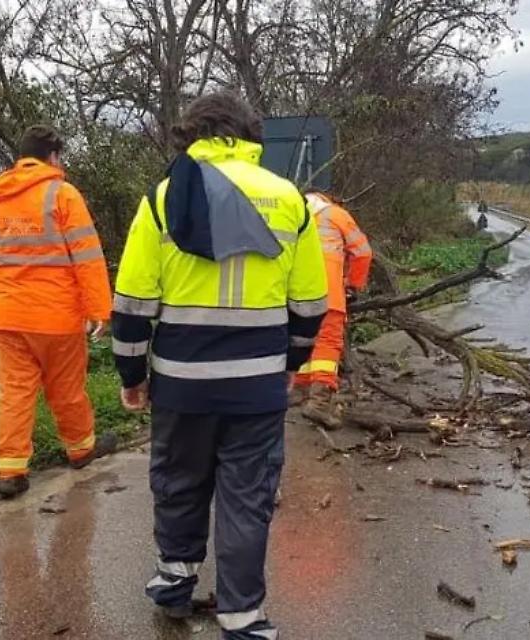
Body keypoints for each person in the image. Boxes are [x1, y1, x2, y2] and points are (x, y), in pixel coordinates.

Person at [111, 91, 328, 639]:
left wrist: (132, 377)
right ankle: (243, 616)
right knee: (247, 499)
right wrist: (292, 362)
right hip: (256, 385)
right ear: (251, 135)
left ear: (193, 135)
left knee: (178, 482)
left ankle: (174, 582)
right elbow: (310, 303)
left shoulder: (163, 197)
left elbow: (133, 303)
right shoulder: (289, 199)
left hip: (181, 383)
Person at [0, 125, 117, 499]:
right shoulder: (62, 194)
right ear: (53, 156)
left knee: (14, 392)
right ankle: (80, 448)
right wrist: (100, 310)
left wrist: (4, 289)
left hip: (8, 314)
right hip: (56, 316)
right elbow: (87, 257)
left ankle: (10, 470)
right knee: (66, 387)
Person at [294, 192, 372, 403]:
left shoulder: (292, 215)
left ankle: (300, 390)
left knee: (302, 339)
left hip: (295, 293)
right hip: (329, 293)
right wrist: (353, 285)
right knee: (327, 342)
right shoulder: (336, 214)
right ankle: (319, 400)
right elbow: (363, 252)